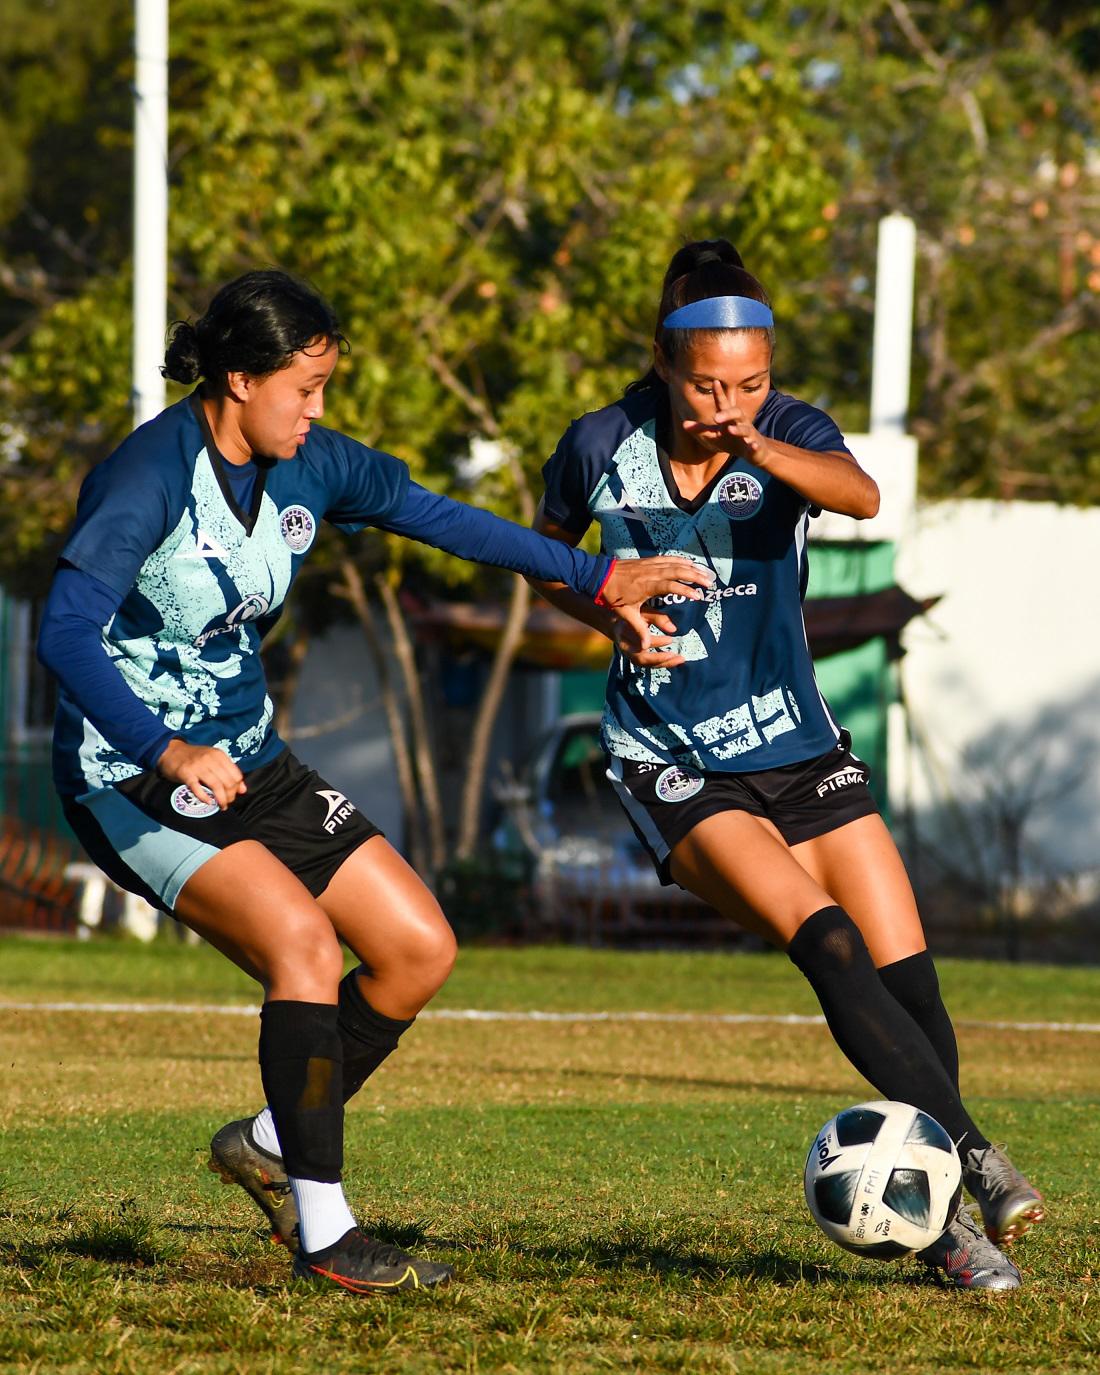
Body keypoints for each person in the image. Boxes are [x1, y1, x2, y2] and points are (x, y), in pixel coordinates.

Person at [36, 269, 714, 1296]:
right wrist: (164, 750)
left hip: (251, 759)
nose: (316, 411)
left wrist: (594, 577)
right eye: (301, 389)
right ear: (235, 377)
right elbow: (63, 633)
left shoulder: (308, 466)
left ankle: (273, 1137)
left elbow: (441, 518)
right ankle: (324, 1228)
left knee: (415, 949)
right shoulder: (148, 478)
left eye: (323, 389)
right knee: (301, 943)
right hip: (130, 777)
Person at [526, 239, 1045, 1292]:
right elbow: (547, 556)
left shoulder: (788, 431)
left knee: (912, 985)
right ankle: (973, 1174)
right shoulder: (597, 443)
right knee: (829, 942)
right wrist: (604, 607)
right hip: (671, 759)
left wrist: (760, 444)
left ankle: (940, 1222)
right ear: (664, 366)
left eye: (748, 381)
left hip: (796, 743)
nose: (727, 400)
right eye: (707, 383)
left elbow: (855, 498)